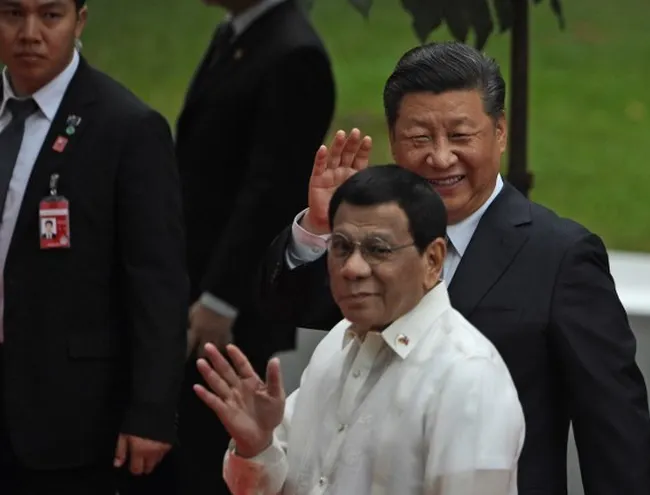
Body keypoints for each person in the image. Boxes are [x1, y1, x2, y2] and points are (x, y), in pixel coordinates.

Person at [258, 42, 650, 494]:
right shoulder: (372, 239)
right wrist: (321, 228)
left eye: (461, 136)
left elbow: (613, 430)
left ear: (500, 133)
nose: (441, 157)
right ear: (394, 140)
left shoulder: (560, 257)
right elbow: (292, 307)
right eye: (419, 138)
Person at [196, 164, 525, 494]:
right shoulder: (336, 344)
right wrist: (256, 446)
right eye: (341, 247)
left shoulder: (468, 376)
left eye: (378, 249)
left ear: (433, 260)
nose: (352, 268)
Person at [0, 0, 189, 494]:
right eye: (12, 14)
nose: (29, 33)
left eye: (50, 16)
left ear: (80, 20)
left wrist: (151, 410)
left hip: (71, 410)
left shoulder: (126, 128)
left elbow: (158, 282)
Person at [173, 0, 335, 492]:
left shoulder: (293, 54)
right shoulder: (238, 34)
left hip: (233, 303)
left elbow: (271, 190)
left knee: (212, 455)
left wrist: (221, 298)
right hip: (197, 282)